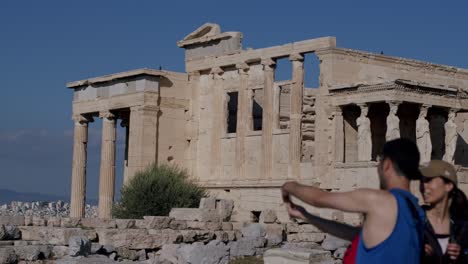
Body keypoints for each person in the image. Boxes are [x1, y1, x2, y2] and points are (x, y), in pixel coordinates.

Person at [282, 138, 425, 263]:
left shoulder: (380, 201)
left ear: (387, 164)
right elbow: (355, 235)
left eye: (379, 162)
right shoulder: (416, 210)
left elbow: (319, 199)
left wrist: (289, 186)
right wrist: (307, 216)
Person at [419, 160, 468, 263]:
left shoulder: (463, 227)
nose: (423, 186)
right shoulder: (413, 220)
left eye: (429, 180)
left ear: (448, 186)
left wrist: (462, 256)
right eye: (421, 181)